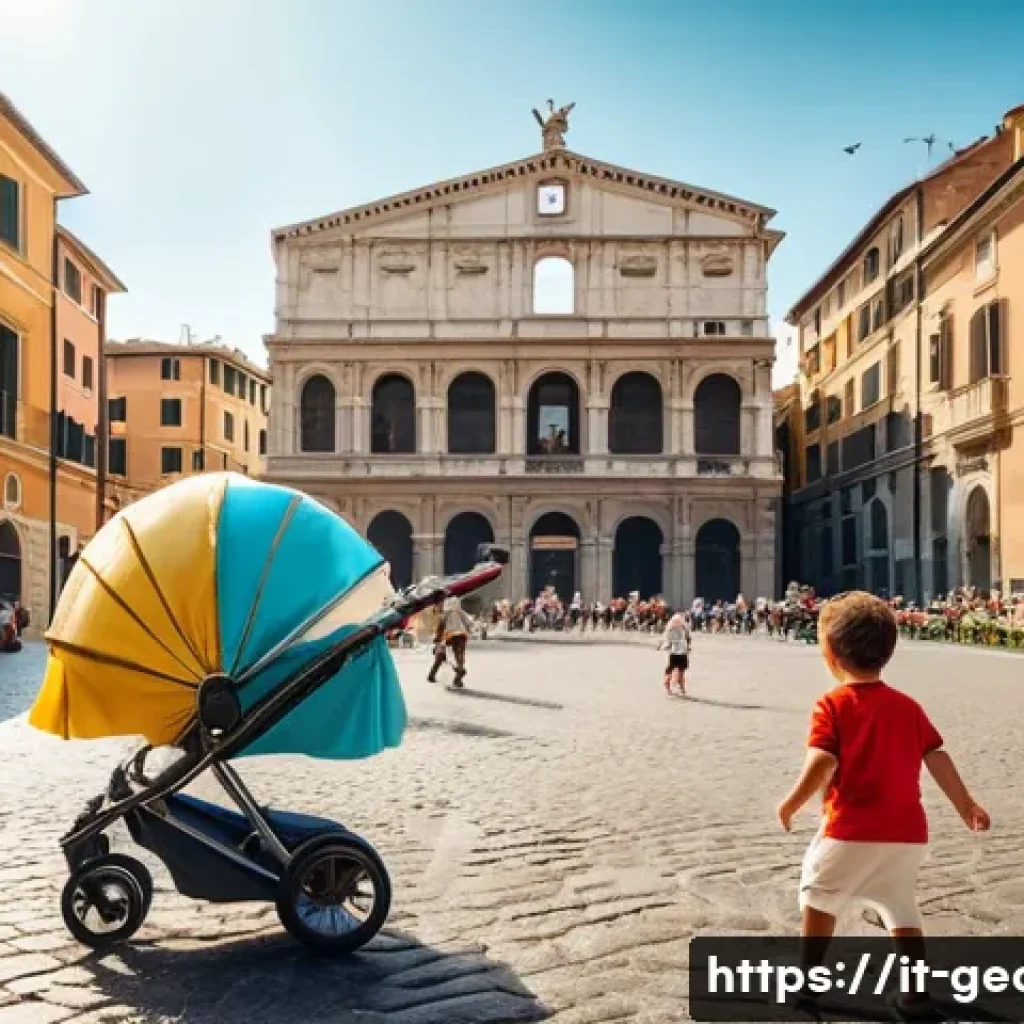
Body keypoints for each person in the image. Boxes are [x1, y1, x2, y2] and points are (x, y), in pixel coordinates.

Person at [776, 591, 989, 1015]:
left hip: (850, 829)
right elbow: (937, 756)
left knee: (818, 896)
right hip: (907, 834)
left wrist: (791, 803)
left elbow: (822, 762)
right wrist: (966, 805)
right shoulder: (908, 707)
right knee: (901, 909)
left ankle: (807, 984)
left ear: (829, 651)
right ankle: (915, 995)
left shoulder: (832, 704)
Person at [427, 596, 474, 688]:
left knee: (441, 656)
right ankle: (458, 676)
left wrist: (437, 640)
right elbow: (470, 623)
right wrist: (468, 630)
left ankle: (432, 675)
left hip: (449, 637)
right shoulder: (460, 612)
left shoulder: (445, 614)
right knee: (459, 656)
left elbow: (440, 627)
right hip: (461, 636)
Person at [659, 612, 691, 696]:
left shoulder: (669, 629)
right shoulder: (684, 627)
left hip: (673, 652)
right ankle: (682, 689)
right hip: (682, 652)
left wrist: (662, 647)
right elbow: (688, 638)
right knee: (681, 671)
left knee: (669, 670)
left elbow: (667, 642)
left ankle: (668, 688)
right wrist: (688, 647)